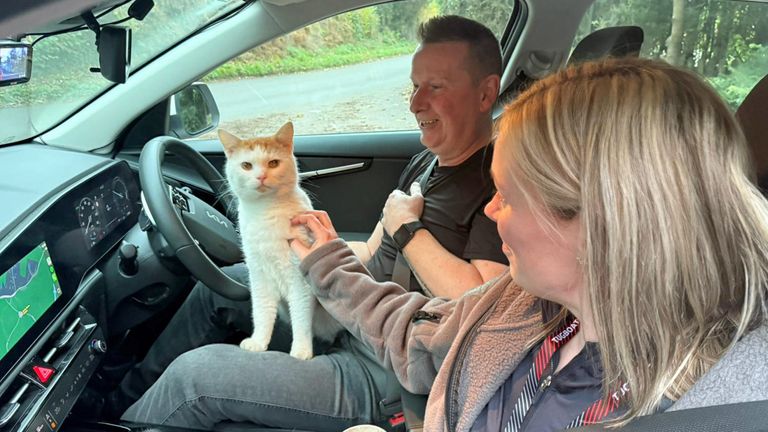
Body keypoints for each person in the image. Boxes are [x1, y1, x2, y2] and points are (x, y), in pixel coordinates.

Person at [287, 57, 768, 431]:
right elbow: (419, 335)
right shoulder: (526, 304)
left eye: (507, 196)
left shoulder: (722, 405)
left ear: (600, 223)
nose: (491, 209)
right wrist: (327, 261)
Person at [117, 15, 508, 430]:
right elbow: (374, 251)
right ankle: (124, 406)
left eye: (435, 87)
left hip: (390, 371)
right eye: (414, 86)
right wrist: (315, 248)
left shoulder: (498, 184)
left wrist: (409, 230)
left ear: (485, 94)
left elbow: (484, 307)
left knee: (194, 378)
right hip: (353, 315)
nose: (414, 103)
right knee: (221, 288)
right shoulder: (426, 162)